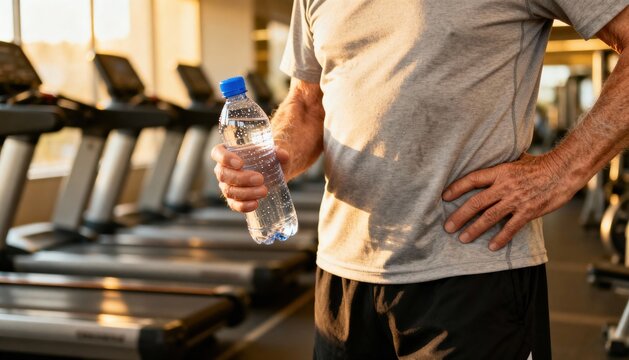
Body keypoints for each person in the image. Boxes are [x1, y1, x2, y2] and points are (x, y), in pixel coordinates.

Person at [212, 1, 629, 358]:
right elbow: (306, 103)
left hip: (470, 270)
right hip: (341, 272)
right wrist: (272, 160)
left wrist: (560, 171)